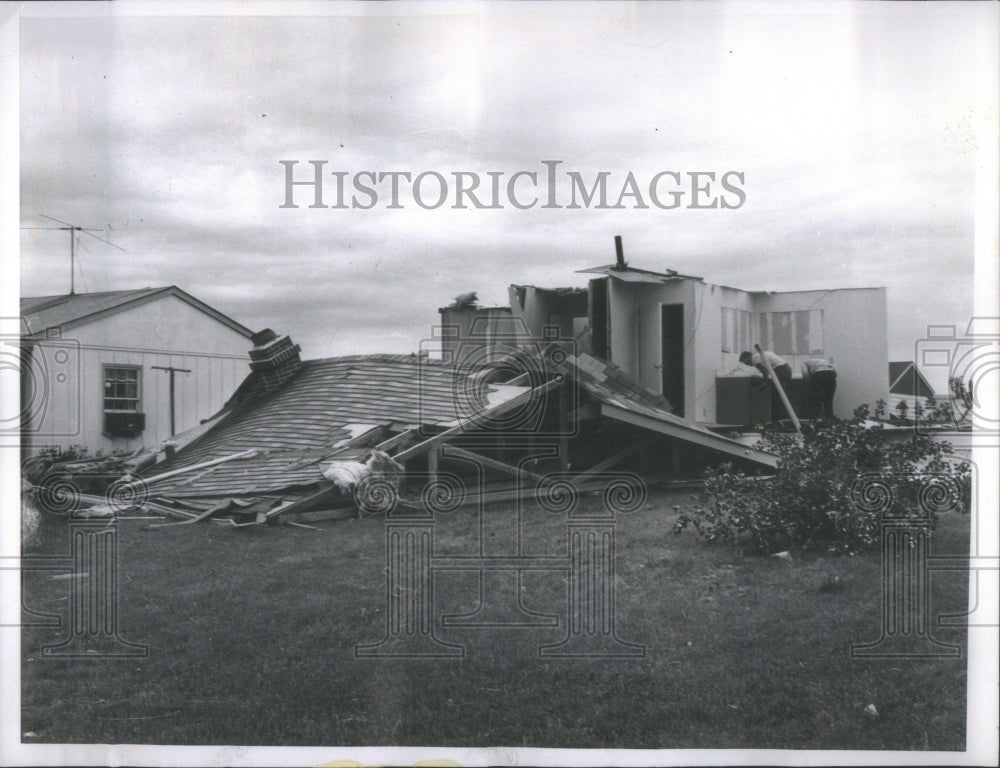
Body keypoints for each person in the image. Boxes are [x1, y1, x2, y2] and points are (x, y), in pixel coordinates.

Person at [739, 349, 792, 422]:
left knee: (778, 396)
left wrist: (764, 383)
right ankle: (783, 418)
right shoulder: (760, 355)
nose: (748, 365)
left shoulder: (754, 358)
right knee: (782, 395)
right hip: (786, 368)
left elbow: (765, 372)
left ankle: (778, 419)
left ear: (748, 357)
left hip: (781, 370)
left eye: (746, 362)